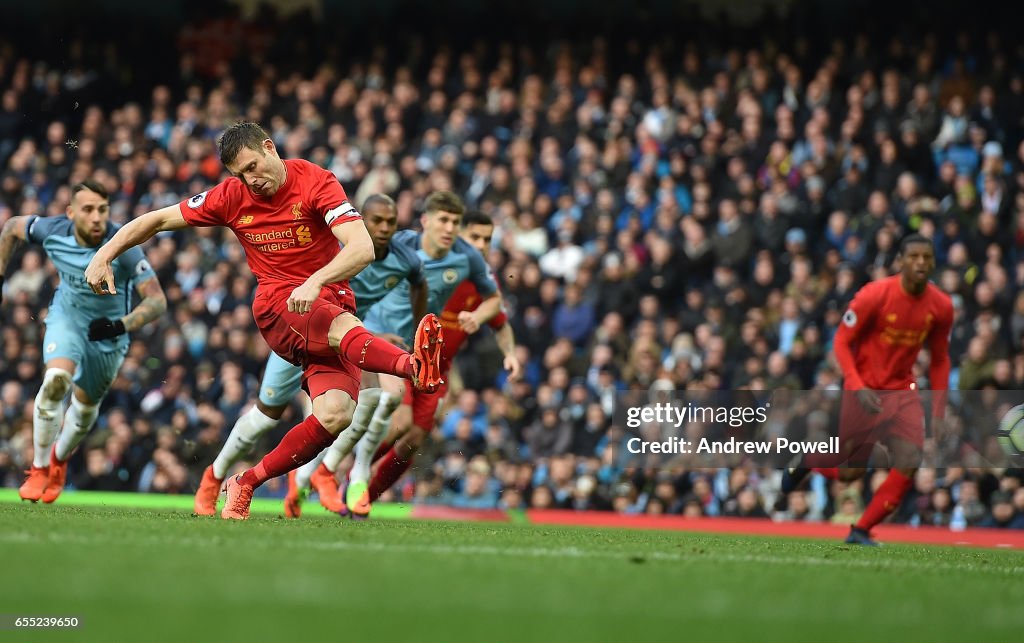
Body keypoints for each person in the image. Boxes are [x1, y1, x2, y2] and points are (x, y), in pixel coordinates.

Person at [84, 122, 444, 520]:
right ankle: (413, 366)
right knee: (316, 358)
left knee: (335, 415)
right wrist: (104, 255)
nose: (250, 180)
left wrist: (318, 280)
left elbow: (361, 249)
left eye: (253, 167)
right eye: (240, 174)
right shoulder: (231, 196)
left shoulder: (315, 181)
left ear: (270, 148)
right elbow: (155, 220)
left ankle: (245, 482)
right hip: (280, 304)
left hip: (328, 304)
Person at [191, 193, 427, 516]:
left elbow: (419, 285)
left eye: (391, 222)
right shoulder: (341, 250)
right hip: (305, 328)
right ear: (360, 219)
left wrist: (409, 329)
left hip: (348, 336)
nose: (384, 228)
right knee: (263, 418)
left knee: (367, 402)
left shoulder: (405, 260)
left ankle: (332, 474)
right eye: (377, 221)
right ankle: (215, 475)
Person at [290, 207, 523, 519]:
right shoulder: (421, 262)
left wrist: (508, 352)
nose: (480, 246)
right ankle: (335, 476)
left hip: (438, 367)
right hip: (400, 351)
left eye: (487, 240)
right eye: (474, 238)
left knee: (413, 438)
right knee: (394, 418)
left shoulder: (481, 282)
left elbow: (499, 320)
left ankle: (361, 494)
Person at [0, 180, 167, 503]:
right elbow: (10, 228)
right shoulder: (52, 230)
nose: (96, 218)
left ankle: (59, 460)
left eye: (102, 210)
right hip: (67, 318)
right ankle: (38, 469)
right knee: (55, 381)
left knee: (86, 406)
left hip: (108, 334)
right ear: (71, 212)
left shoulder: (124, 245)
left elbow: (157, 301)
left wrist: (120, 325)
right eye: (88, 209)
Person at [780, 234, 952, 545]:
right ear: (900, 262)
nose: (921, 263)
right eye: (914, 257)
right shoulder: (874, 295)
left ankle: (860, 530)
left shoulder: (940, 306)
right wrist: (857, 386)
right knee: (850, 473)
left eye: (927, 257)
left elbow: (940, 359)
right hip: (864, 391)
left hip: (902, 390)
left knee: (909, 459)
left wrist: (938, 411)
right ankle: (809, 460)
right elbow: (841, 342)